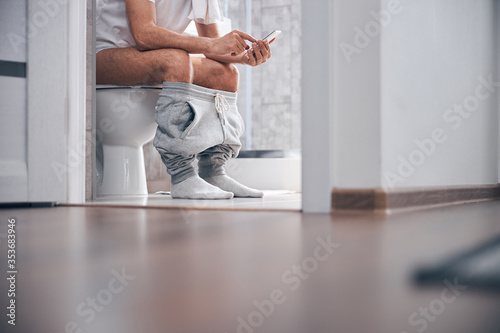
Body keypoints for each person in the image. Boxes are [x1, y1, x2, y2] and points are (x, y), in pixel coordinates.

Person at [96, 0, 272, 199]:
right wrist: (212, 44)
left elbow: (213, 47)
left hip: (149, 57)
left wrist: (243, 57)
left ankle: (212, 172)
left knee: (225, 73)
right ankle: (182, 175)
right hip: (103, 55)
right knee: (176, 60)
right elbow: (144, 35)